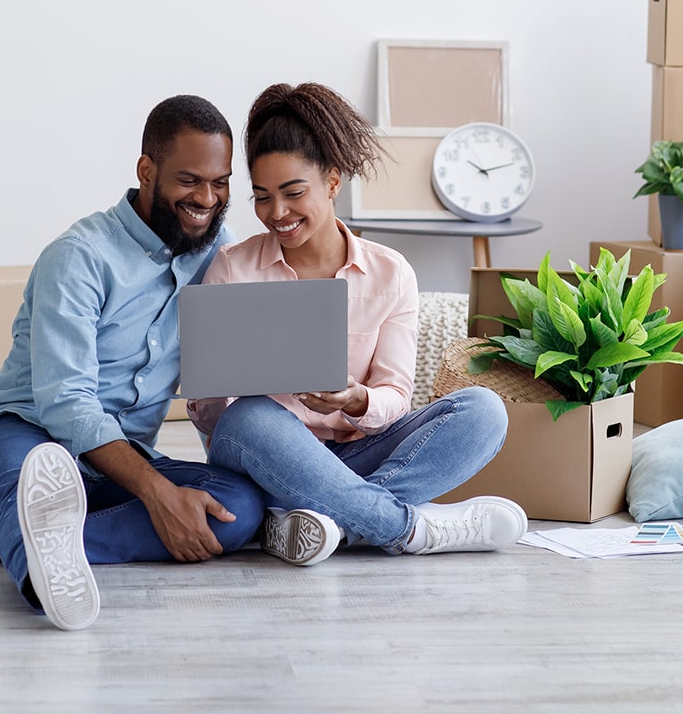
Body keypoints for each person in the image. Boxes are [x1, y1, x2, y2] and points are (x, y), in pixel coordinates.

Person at [0, 95, 266, 631]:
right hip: (25, 431)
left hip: (122, 455)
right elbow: (66, 404)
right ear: (147, 170)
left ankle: (11, 533)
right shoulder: (78, 257)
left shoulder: (218, 253)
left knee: (239, 508)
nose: (207, 199)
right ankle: (35, 558)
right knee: (34, 475)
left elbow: (238, 362)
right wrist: (159, 494)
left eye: (221, 182)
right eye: (190, 180)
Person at [187, 82, 526, 567]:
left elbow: (395, 396)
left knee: (484, 410)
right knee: (250, 417)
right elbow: (215, 424)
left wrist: (355, 399)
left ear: (332, 181)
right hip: (268, 463)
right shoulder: (231, 268)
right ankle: (409, 527)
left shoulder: (391, 273)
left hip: (359, 453)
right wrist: (214, 389)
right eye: (262, 197)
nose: (276, 213)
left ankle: (326, 524)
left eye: (293, 192)